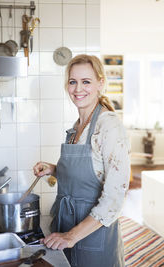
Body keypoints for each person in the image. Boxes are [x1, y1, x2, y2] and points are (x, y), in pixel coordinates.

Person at [33, 54, 130, 267]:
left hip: (93, 235)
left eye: (86, 81)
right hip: (65, 226)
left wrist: (71, 236)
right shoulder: (77, 127)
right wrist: (53, 169)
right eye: (73, 82)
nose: (78, 89)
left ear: (100, 83)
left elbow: (115, 197)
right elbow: (89, 173)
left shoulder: (109, 126)